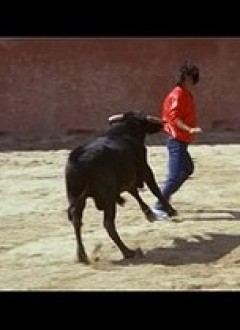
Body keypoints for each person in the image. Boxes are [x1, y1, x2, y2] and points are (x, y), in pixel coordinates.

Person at [152, 60, 203, 220]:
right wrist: (189, 129)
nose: (191, 82)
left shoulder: (186, 93)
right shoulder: (178, 94)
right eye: (189, 79)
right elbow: (174, 118)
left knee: (187, 169)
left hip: (181, 140)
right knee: (174, 176)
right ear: (184, 78)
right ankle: (160, 205)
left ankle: (164, 198)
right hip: (176, 139)